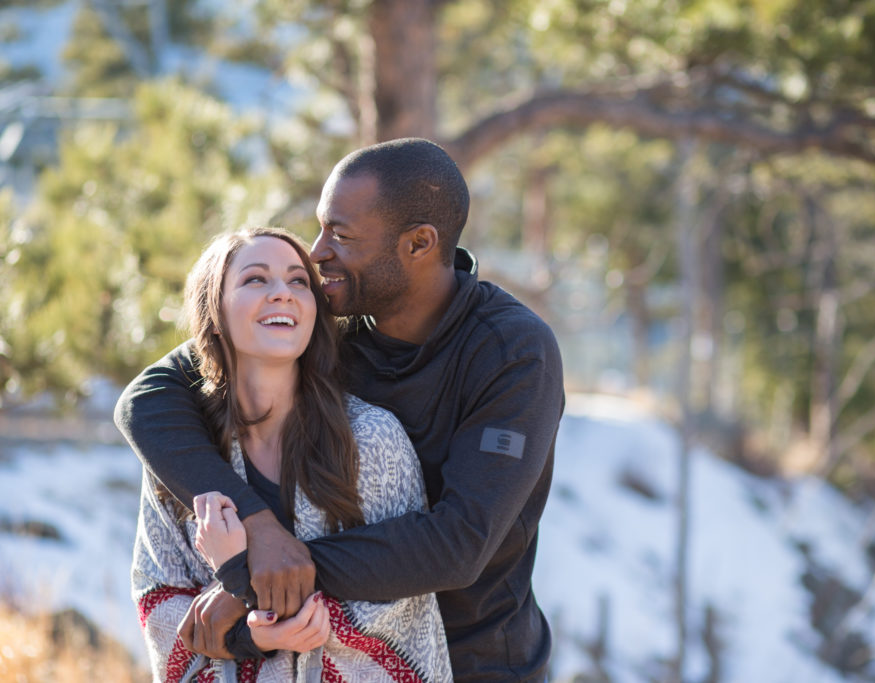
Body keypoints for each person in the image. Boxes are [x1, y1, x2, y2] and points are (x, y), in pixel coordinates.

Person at [116, 138, 565, 682]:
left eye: (341, 236)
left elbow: (460, 542)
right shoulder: (325, 321)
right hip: (315, 650)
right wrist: (257, 529)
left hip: (479, 661)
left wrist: (266, 574)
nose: (317, 251)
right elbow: (150, 397)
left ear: (419, 244)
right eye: (321, 227)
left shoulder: (512, 351)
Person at [130, 227, 451, 682]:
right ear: (215, 310)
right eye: (255, 279)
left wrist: (241, 586)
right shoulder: (182, 457)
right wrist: (256, 637)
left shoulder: (372, 439)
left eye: (299, 281)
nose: (282, 293)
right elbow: (161, 599)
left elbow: (404, 610)